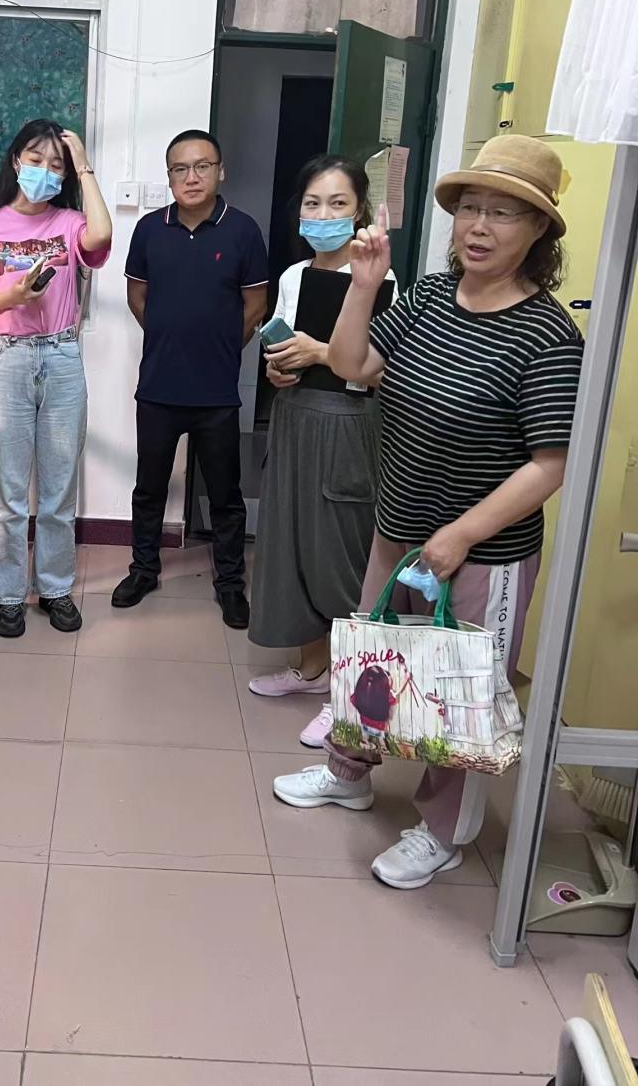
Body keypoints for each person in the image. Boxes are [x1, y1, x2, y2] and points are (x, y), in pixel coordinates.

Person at [273, 135, 584, 890]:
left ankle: (443, 830)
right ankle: (348, 774)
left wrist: (462, 535)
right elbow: (353, 365)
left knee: (459, 691)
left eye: (503, 214)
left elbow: (551, 463)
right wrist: (363, 284)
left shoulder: (548, 334)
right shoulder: (429, 298)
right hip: (399, 524)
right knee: (375, 660)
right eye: (470, 208)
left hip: (484, 550)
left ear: (538, 230)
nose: (479, 226)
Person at [247, 156, 396, 748]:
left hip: (347, 424)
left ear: (359, 211)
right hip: (294, 417)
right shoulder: (293, 275)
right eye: (313, 203)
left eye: (338, 204)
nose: (324, 214)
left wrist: (322, 352)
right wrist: (280, 368)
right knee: (292, 546)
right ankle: (311, 671)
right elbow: (282, 345)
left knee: (339, 555)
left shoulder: (379, 279)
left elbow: (379, 370)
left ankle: (349, 695)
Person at [0, 119, 112, 638]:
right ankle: (9, 595)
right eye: (36, 160)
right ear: (17, 161)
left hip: (61, 358)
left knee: (59, 490)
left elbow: (102, 237)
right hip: (7, 359)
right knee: (10, 493)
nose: (45, 172)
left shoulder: (68, 222)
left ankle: (55, 588)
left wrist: (84, 165)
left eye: (56, 165)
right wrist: (12, 297)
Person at [112, 130, 269, 628]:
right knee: (149, 488)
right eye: (180, 168)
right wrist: (168, 337)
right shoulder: (149, 230)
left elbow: (256, 306)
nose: (192, 177)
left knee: (225, 494)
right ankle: (144, 570)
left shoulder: (243, 230)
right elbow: (137, 297)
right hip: (159, 387)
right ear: (170, 177)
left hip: (217, 391)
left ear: (221, 171)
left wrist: (218, 348)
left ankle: (230, 584)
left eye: (202, 166)